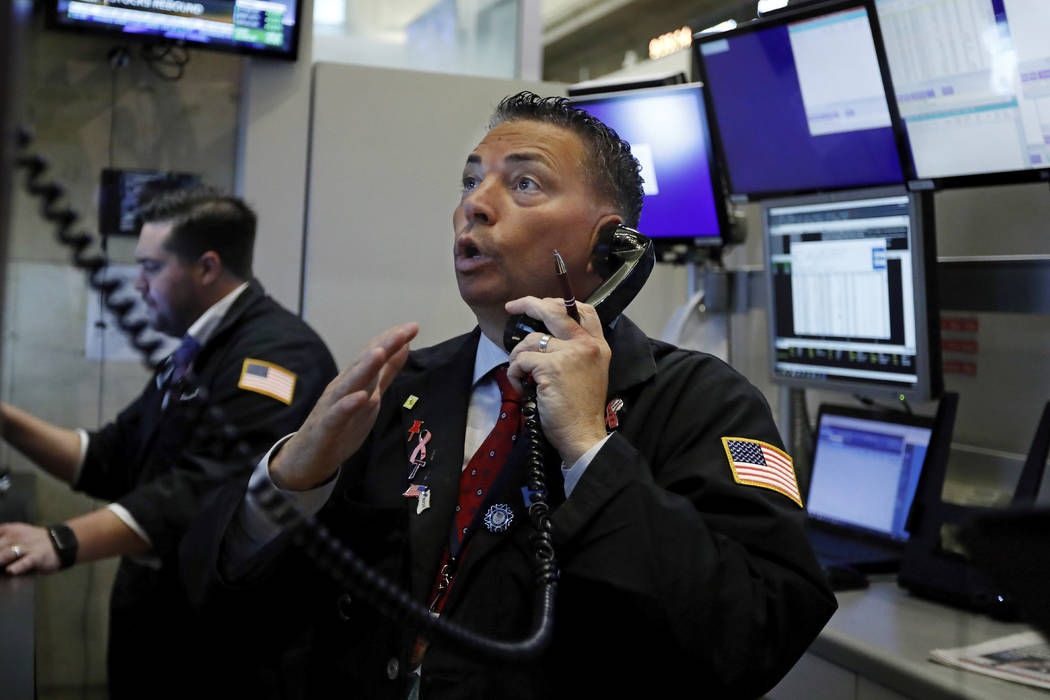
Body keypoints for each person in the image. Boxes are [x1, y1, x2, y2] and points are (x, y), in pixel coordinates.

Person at [185, 93, 836, 699]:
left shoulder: (700, 400)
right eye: (471, 181)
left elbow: (755, 634)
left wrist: (587, 447)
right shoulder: (397, 389)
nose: (476, 204)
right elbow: (235, 608)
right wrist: (292, 481)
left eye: (523, 183)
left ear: (611, 244)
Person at [0, 187, 338, 698]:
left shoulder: (275, 357)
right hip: (157, 626)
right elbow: (109, 457)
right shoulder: (194, 352)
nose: (136, 285)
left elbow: (206, 493)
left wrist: (60, 541)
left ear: (206, 267)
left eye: (150, 268)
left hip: (219, 649)